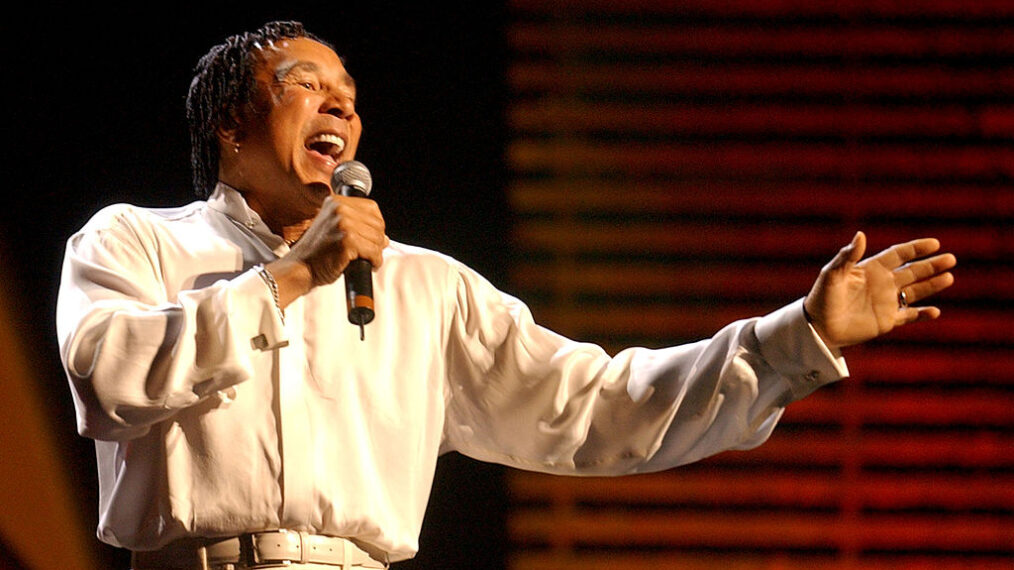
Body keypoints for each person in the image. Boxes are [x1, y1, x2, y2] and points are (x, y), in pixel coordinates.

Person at [56, 21, 956, 570]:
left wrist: (794, 338)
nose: (340, 109)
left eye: (351, 99)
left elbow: (600, 405)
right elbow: (108, 380)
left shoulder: (425, 287)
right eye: (306, 88)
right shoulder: (134, 240)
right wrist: (291, 278)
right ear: (228, 121)